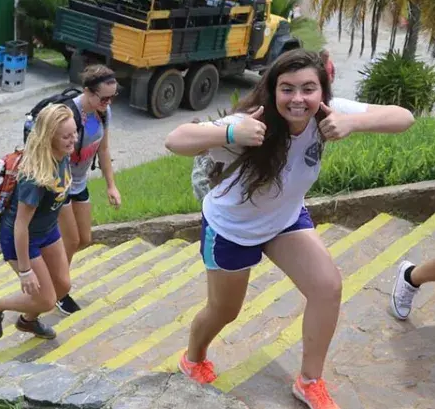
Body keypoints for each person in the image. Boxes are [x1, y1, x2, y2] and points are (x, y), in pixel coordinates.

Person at [164, 49, 414, 409]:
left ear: (322, 90)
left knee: (327, 287)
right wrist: (232, 130)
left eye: (308, 88)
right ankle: (193, 358)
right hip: (232, 228)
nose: (298, 99)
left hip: (285, 220)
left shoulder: (329, 111)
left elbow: (404, 117)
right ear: (273, 90)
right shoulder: (251, 122)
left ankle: (310, 381)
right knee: (224, 311)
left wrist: (353, 123)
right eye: (288, 89)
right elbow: (175, 139)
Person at [0, 103, 76, 340]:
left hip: (47, 230)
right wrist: (25, 271)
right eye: (66, 136)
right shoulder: (34, 175)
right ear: (49, 136)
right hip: (22, 238)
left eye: (75, 133)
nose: (73, 140)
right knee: (46, 299)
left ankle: (27, 322)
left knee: (62, 286)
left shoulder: (62, 156)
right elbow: (20, 225)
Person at [56, 64, 121, 315]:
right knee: (71, 240)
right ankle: (59, 291)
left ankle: (53, 272)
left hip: (79, 183)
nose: (108, 101)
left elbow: (103, 150)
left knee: (84, 238)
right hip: (59, 186)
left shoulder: (104, 113)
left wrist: (111, 186)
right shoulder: (67, 115)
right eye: (103, 97)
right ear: (87, 92)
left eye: (112, 97)